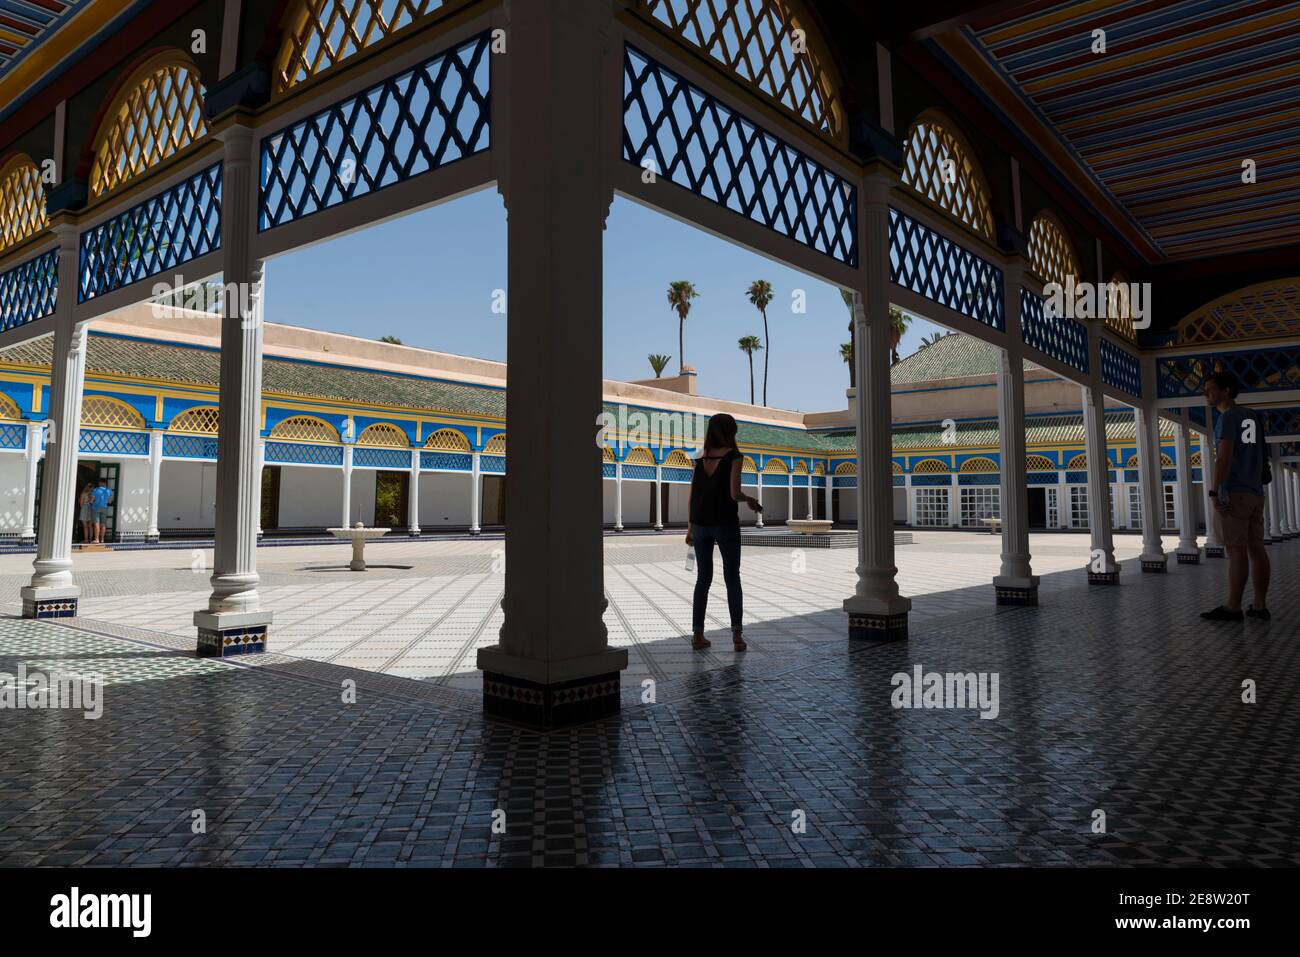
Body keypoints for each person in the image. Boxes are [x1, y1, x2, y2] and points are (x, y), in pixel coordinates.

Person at [685, 413, 762, 651]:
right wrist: (750, 500)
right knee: (732, 578)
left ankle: (698, 635)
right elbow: (733, 494)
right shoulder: (734, 456)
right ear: (730, 432)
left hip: (699, 525)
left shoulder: (700, 457)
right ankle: (737, 636)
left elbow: (693, 495)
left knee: (703, 579)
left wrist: (689, 528)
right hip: (725, 523)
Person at [1200, 371, 1270, 622]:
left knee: (1236, 549)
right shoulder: (1251, 416)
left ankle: (1233, 606)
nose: (1206, 393)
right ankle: (1260, 605)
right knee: (1256, 549)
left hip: (1236, 493)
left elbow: (1224, 457)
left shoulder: (1228, 418)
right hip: (1255, 492)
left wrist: (1214, 491)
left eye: (1210, 388)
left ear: (1226, 391)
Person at [90, 478, 114, 545]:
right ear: (105, 483)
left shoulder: (96, 490)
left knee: (96, 523)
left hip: (95, 508)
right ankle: (102, 539)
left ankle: (97, 539)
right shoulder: (109, 491)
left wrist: (91, 502)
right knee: (103, 524)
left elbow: (91, 500)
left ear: (100, 483)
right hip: (104, 508)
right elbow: (110, 501)